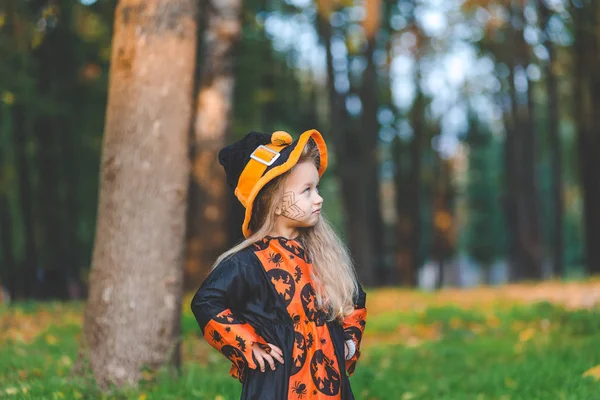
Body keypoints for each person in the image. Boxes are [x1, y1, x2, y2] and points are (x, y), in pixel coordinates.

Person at [191, 129, 367, 399]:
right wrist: (248, 344)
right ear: (273, 203)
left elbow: (355, 298)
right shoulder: (248, 261)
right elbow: (206, 301)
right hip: (277, 385)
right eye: (306, 190)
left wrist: (348, 344)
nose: (318, 198)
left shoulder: (322, 255)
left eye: (316, 188)